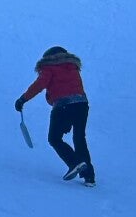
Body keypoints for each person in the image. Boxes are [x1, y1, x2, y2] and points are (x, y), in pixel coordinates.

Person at [17, 45, 94, 185]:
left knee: (54, 138)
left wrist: (23, 99)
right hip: (82, 104)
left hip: (63, 105)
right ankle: (89, 177)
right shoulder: (72, 67)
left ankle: (74, 162)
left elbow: (40, 84)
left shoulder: (49, 67)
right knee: (79, 138)